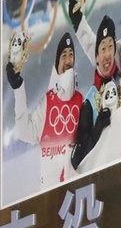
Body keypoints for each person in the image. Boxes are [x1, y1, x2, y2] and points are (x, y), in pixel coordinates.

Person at [5, 31, 83, 190]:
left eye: (71, 55)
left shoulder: (82, 101)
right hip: (49, 193)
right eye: (64, 56)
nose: (68, 60)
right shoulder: (47, 102)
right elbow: (24, 131)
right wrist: (18, 87)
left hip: (77, 189)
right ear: (57, 64)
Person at [70, 15, 121, 170]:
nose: (107, 54)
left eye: (110, 46)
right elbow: (80, 159)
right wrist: (98, 128)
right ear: (96, 57)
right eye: (103, 48)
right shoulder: (89, 102)